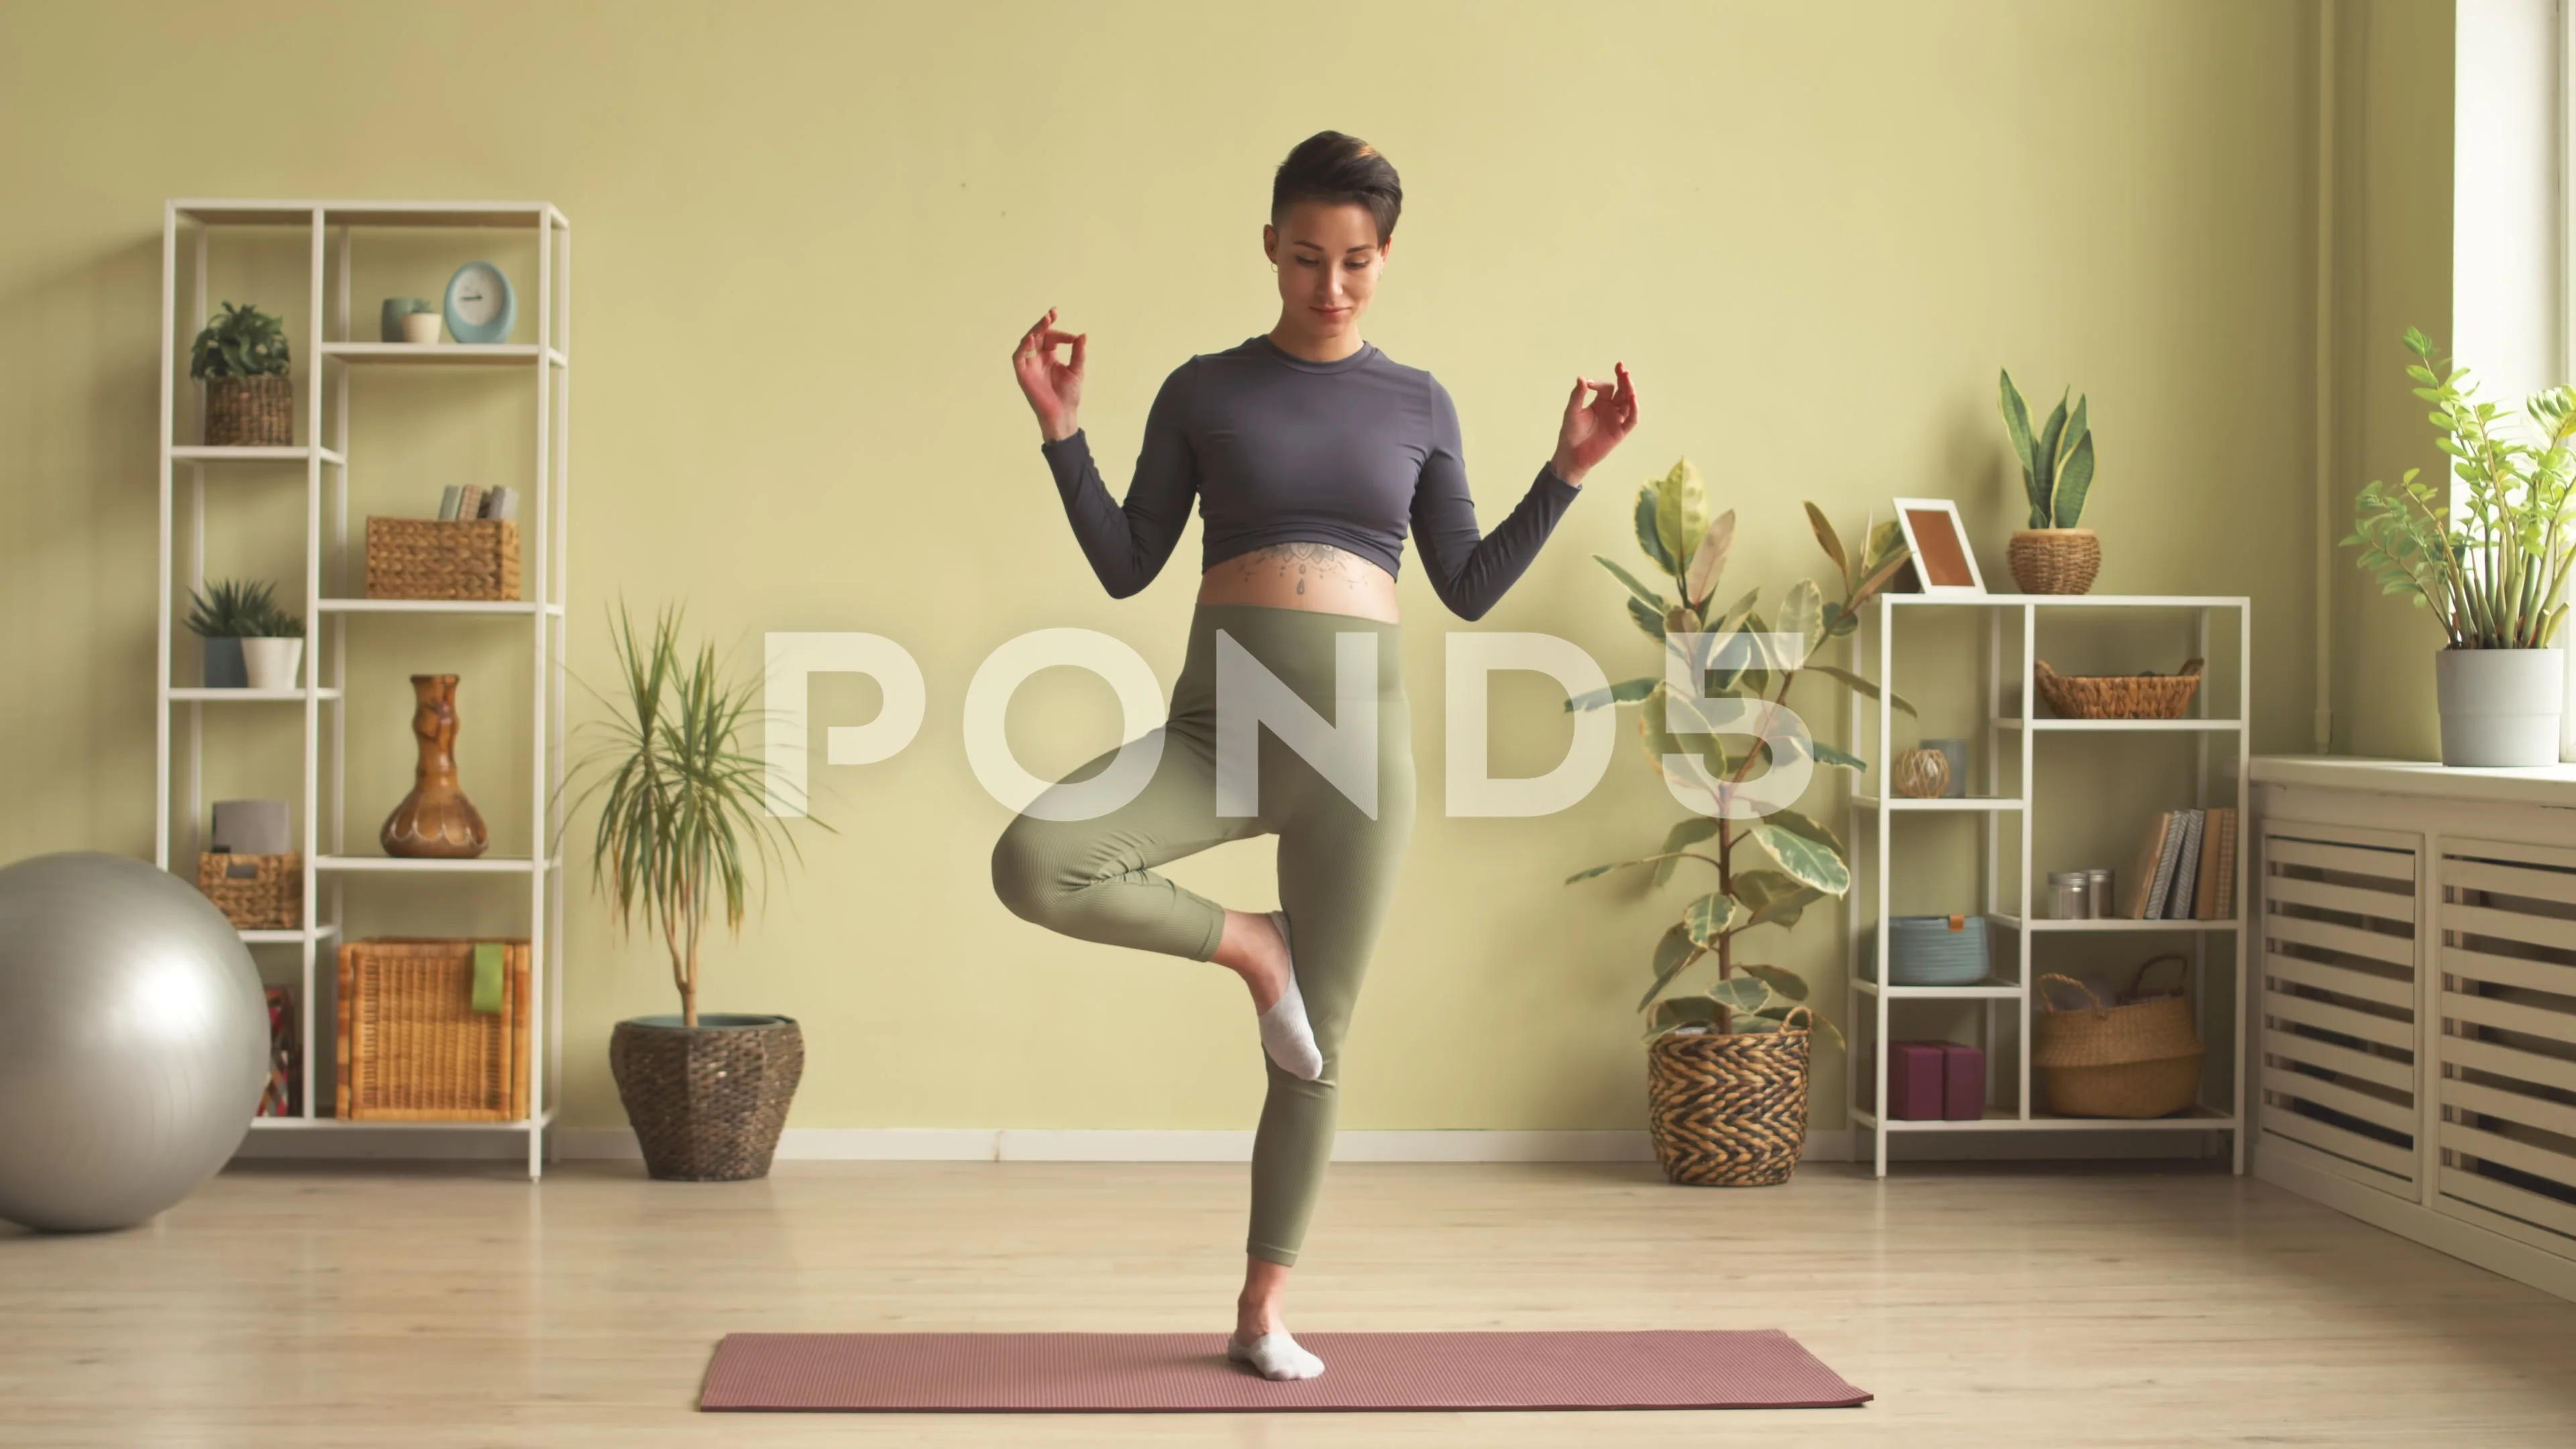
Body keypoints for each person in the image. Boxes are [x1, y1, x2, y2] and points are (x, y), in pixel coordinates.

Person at [991, 129, 1639, 1381]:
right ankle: (1252, 945)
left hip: (1358, 755)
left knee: (1317, 1043)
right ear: (1271, 247)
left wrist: (1565, 473)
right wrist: (1063, 433)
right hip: (1214, 732)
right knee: (1035, 860)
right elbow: (1130, 560)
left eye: (1354, 263)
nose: (1328, 286)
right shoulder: (1203, 389)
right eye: (1305, 258)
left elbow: (1468, 583)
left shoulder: (1419, 403)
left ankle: (1259, 1313)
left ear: (1385, 258)